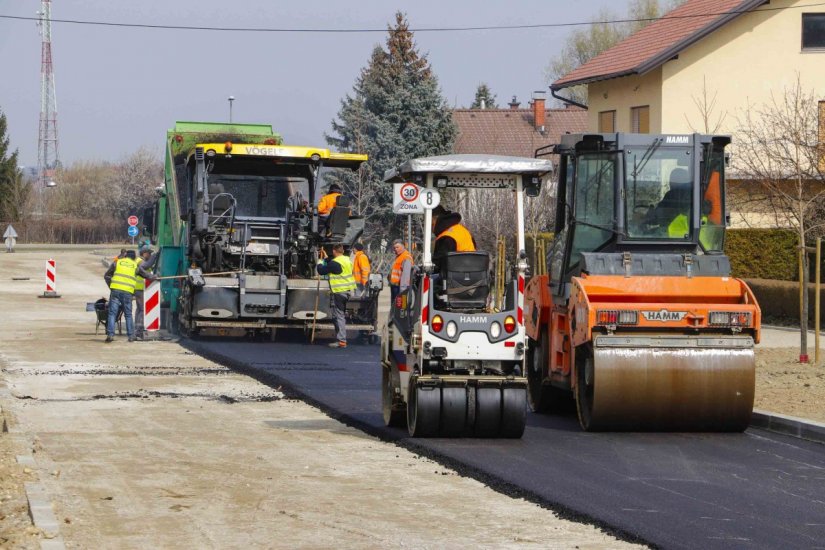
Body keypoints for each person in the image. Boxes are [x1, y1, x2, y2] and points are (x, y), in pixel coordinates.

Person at [103, 250, 155, 343]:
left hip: (115, 291)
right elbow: (145, 275)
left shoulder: (117, 262)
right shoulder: (135, 266)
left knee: (112, 313)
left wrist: (112, 287)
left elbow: (106, 275)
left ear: (125, 256)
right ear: (134, 258)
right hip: (127, 292)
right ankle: (131, 336)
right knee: (128, 314)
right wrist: (154, 277)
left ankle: (110, 335)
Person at [316, 244, 356, 349]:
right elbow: (334, 266)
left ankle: (342, 341)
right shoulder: (346, 260)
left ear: (334, 251)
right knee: (338, 316)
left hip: (339, 292)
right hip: (346, 291)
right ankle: (340, 338)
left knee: (339, 317)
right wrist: (326, 258)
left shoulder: (335, 263)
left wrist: (320, 261)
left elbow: (321, 270)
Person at [133, 246, 158, 340]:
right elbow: (146, 266)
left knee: (139, 309)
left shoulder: (139, 260)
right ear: (144, 253)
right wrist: (154, 256)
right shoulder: (140, 261)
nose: (150, 255)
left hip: (138, 288)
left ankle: (136, 329)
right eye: (149, 253)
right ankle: (138, 331)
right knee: (142, 309)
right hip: (139, 288)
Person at [389, 239, 413, 307]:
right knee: (395, 307)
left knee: (401, 307)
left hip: (401, 288)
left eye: (397, 247)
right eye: (394, 248)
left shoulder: (406, 257)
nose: (395, 249)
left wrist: (403, 291)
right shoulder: (398, 257)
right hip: (395, 286)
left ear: (403, 246)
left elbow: (406, 275)